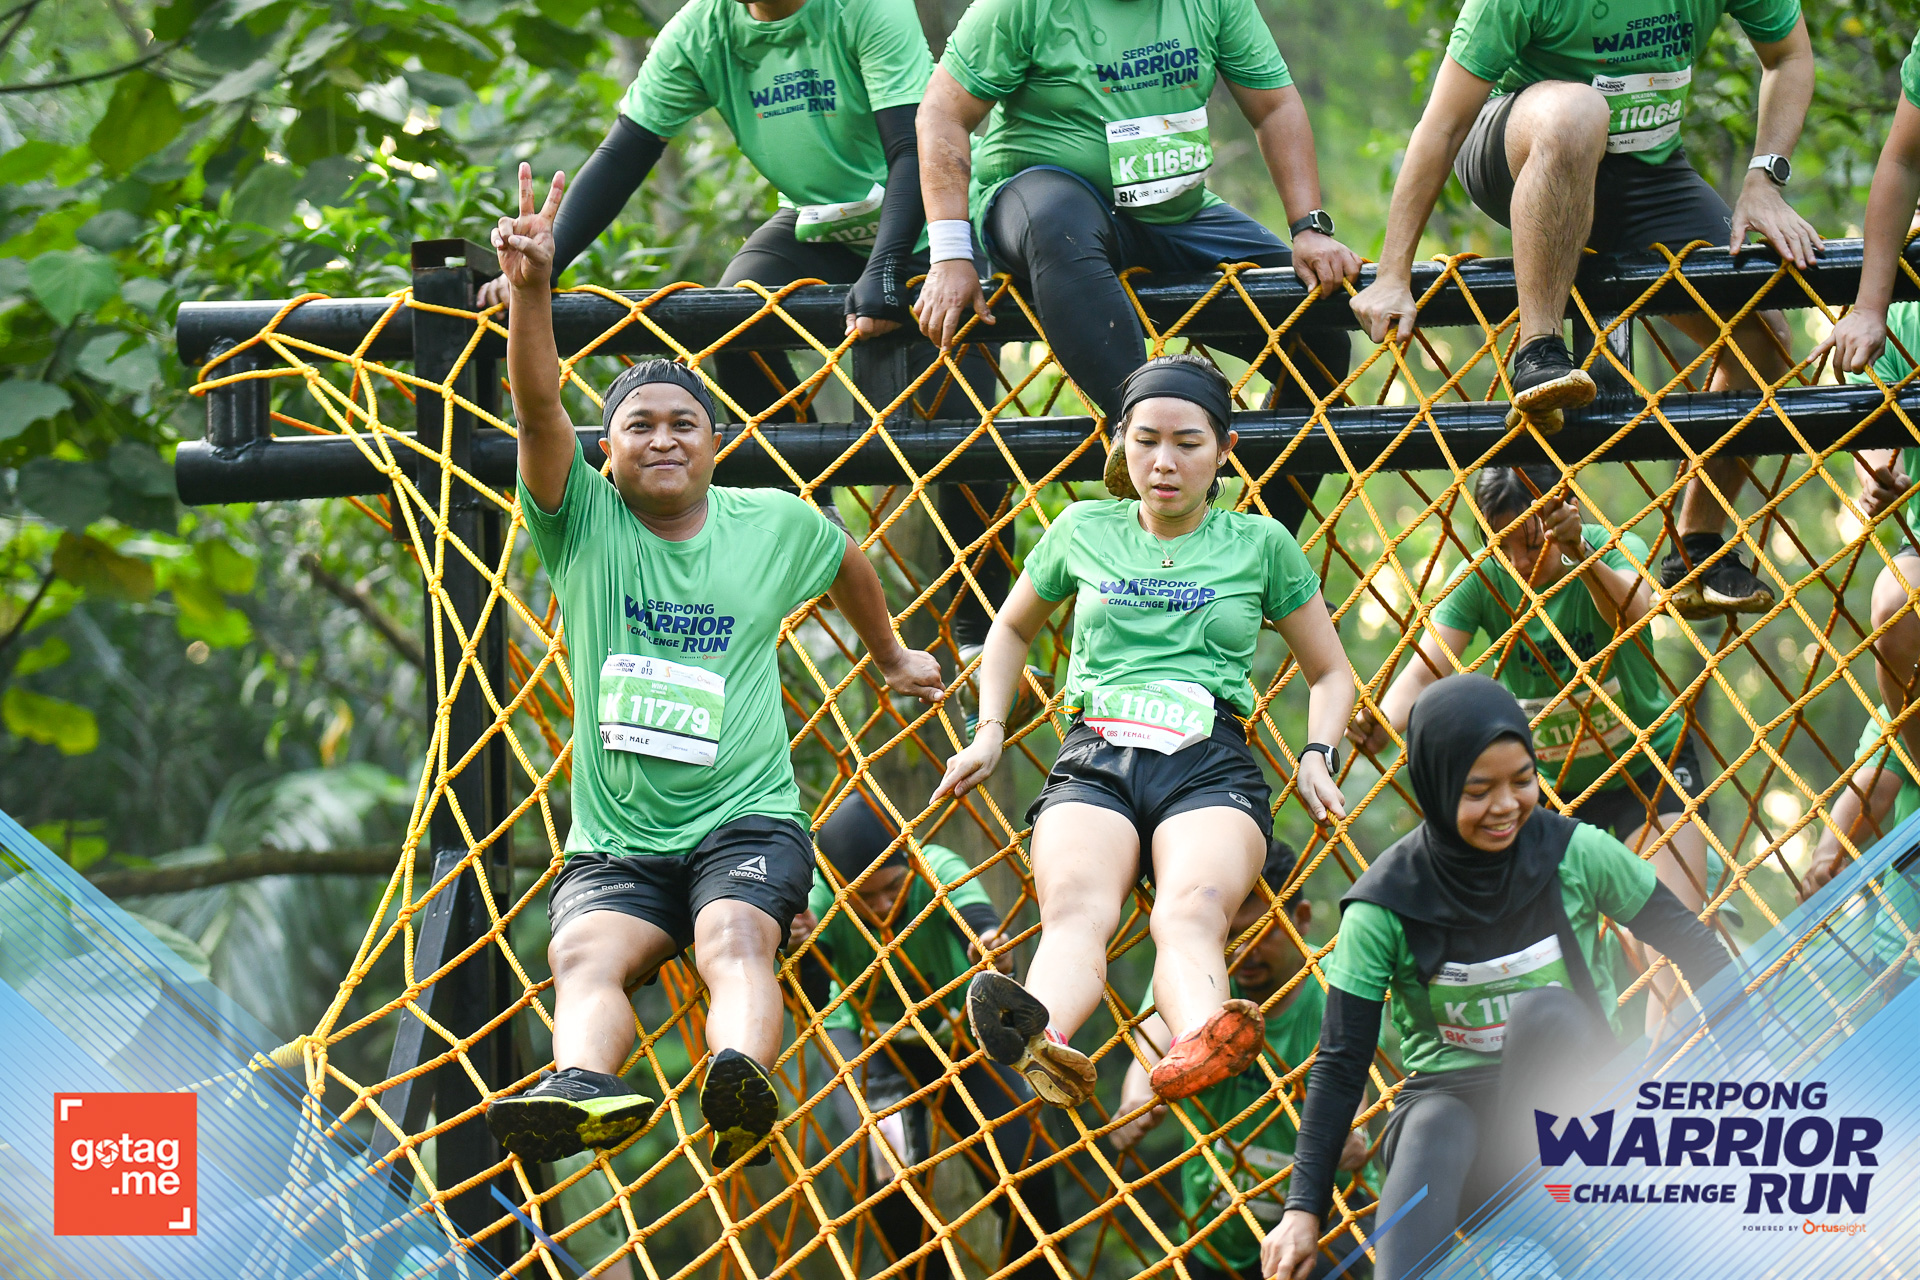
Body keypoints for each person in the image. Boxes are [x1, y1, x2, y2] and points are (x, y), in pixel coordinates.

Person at [481, 166, 946, 1171]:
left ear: (716, 442)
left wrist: (892, 653)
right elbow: (537, 409)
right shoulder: (582, 523)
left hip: (745, 821)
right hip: (618, 839)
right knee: (581, 953)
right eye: (638, 425)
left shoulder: (767, 522)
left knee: (733, 937)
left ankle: (738, 1081)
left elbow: (845, 555)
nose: (662, 438)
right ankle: (583, 1087)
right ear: (606, 452)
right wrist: (532, 290)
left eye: (682, 423)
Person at [475, 0, 1011, 653]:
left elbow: (911, 147)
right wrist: (542, 262)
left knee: (962, 426)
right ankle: (815, 520)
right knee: (733, 317)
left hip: (926, 220)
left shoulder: (865, 9)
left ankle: (981, 629)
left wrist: (889, 263)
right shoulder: (703, 31)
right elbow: (625, 153)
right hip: (818, 222)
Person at [931, 355, 1355, 1108]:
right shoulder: (1080, 529)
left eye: (1188, 443)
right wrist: (988, 730)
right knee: (1075, 911)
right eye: (1146, 440)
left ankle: (1199, 1040)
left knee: (1190, 913)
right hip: (1096, 752)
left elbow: (1330, 671)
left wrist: (1318, 754)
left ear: (1223, 450)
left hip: (1207, 762)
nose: (1165, 462)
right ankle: (1043, 1041)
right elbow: (1009, 630)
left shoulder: (1259, 543)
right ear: (1120, 442)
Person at [1347, 0, 1822, 618]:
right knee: (1578, 112)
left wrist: (1764, 179)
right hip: (1520, 142)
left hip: (1646, 171)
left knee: (1765, 339)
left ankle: (1698, 549)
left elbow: (1789, 55)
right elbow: (1441, 125)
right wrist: (1392, 273)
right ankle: (1539, 350)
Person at [1260, 675, 1733, 1280]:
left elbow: (1698, 948)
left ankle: (1571, 1228)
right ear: (1436, 786)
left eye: (1522, 780)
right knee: (1435, 1120)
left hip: (1581, 1123)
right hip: (1463, 1149)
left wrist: (1748, 1067)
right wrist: (1302, 1209)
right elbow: (1341, 1061)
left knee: (1548, 1014)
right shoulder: (1384, 905)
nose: (1506, 805)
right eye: (1478, 790)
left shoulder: (1576, 853)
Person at [912, 0, 1363, 535]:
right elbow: (942, 110)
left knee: (1320, 335)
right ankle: (1140, 432)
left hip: (1176, 212)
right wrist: (950, 254)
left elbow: (1274, 106)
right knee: (1059, 223)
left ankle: (1256, 548)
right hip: (1048, 202)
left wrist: (1309, 227)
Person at [1348, 464, 1710, 1030]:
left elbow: (1638, 614)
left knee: (1669, 950)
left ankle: (1669, 1075)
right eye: (1503, 543)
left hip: (1648, 769)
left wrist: (1579, 553)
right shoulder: (1484, 579)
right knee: (1560, 961)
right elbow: (1423, 672)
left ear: (1564, 515)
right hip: (1552, 794)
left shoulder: (1613, 547)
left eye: (1533, 542)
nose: (1519, 561)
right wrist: (1382, 723)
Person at [790, 788, 1064, 1279]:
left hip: (953, 1035)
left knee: (1027, 1165)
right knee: (888, 1179)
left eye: (893, 888)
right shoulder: (819, 898)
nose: (883, 905)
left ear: (910, 866)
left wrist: (991, 946)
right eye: (866, 896)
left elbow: (976, 923)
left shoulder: (935, 865)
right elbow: (809, 999)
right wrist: (803, 950)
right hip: (868, 1043)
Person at [1110, 839, 1379, 1280]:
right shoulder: (1194, 984)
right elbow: (1150, 1049)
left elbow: (1351, 1072)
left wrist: (1355, 1132)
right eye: (1229, 935)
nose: (1243, 951)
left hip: (1330, 1217)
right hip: (1216, 1227)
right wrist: (1135, 1103)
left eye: (1262, 932)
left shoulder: (1331, 985)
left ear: (1301, 919)